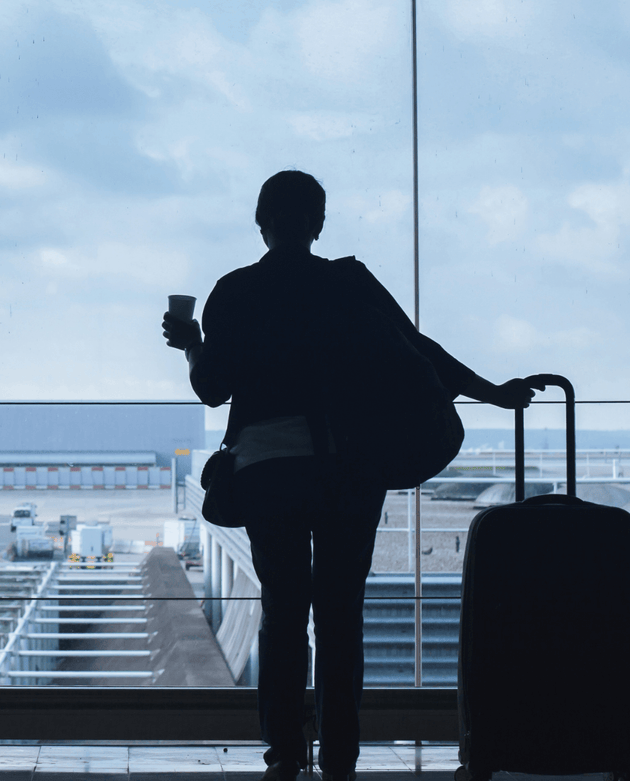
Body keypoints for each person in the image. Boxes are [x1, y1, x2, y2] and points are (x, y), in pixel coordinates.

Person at [161, 170, 532, 781]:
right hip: (347, 470)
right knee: (341, 615)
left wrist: (193, 343)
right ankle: (340, 756)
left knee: (284, 612)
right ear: (319, 223)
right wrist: (492, 392)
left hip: (267, 471)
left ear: (261, 221)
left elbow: (210, 389)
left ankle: (284, 752)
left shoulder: (234, 291)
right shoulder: (348, 283)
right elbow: (419, 351)